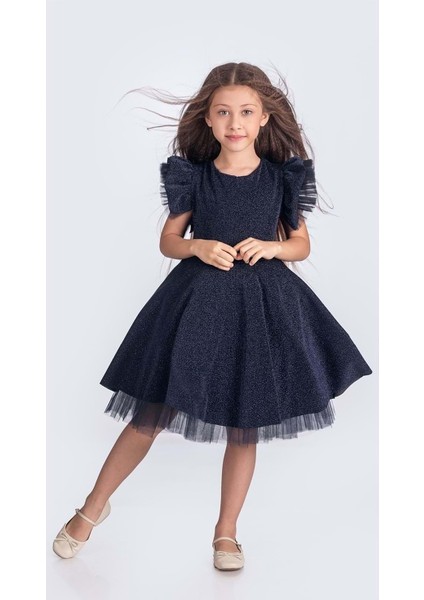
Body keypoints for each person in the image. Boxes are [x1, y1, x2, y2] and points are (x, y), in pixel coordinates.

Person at [52, 62, 373, 570]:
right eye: (223, 112)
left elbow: (300, 244)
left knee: (246, 422)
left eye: (245, 112)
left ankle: (226, 533)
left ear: (264, 118)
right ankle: (92, 508)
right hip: (196, 306)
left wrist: (272, 247)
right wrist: (197, 246)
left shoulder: (282, 179)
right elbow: (169, 239)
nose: (234, 123)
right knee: (151, 412)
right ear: (207, 118)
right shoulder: (194, 177)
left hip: (260, 310)